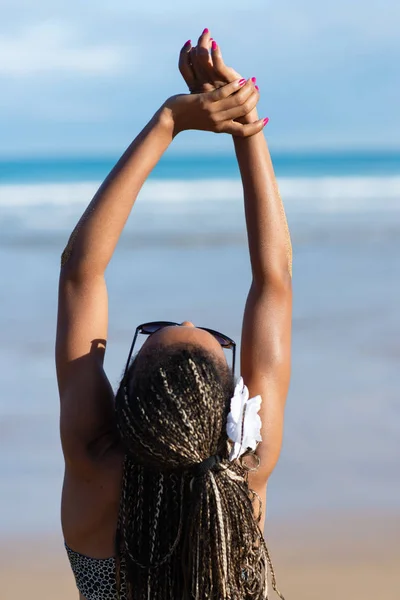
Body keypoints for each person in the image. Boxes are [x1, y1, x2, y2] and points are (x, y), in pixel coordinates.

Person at [57, 29, 292, 600]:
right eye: (213, 336)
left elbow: (80, 272)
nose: (182, 317)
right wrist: (244, 122)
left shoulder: (97, 471)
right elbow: (274, 279)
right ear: (234, 412)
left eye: (157, 331)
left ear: (122, 404)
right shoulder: (238, 480)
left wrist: (170, 120)